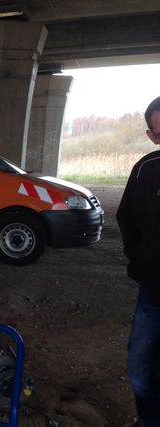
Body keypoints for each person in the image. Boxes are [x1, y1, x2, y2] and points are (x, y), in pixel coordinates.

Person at [116, 95, 160, 426]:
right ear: (152, 137)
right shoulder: (145, 170)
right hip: (154, 294)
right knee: (141, 370)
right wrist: (140, 262)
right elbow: (126, 219)